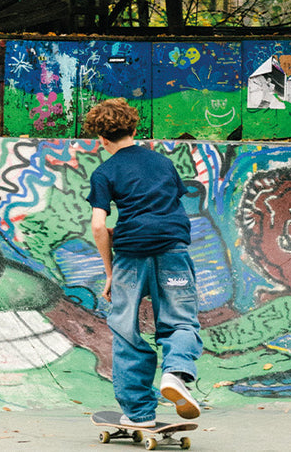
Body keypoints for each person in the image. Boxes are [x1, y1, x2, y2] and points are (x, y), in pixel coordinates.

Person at [84, 98, 203, 427]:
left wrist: (110, 273)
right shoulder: (162, 163)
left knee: (126, 330)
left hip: (131, 255)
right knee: (179, 321)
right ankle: (176, 374)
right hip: (172, 250)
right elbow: (164, 205)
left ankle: (138, 413)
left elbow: (97, 226)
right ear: (136, 129)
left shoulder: (104, 171)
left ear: (103, 140)